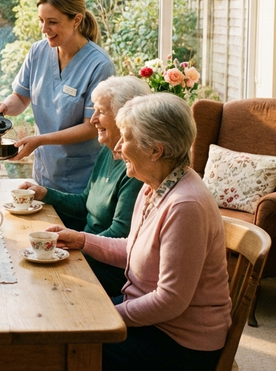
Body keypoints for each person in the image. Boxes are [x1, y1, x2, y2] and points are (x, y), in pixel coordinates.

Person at [47, 93, 230, 370]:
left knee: (64, 347)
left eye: (126, 138)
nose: (118, 148)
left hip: (178, 341)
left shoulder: (186, 205)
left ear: (155, 150)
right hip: (148, 315)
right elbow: (134, 249)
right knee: (63, 307)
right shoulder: (152, 185)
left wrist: (107, 315)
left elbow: (169, 301)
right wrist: (82, 240)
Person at [18, 76, 149, 297]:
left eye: (100, 112)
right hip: (86, 254)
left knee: (34, 283)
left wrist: (71, 250)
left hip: (107, 269)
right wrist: (45, 193)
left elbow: (119, 236)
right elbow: (84, 203)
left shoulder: (135, 170)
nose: (93, 119)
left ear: (123, 117)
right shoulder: (107, 153)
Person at [0, 0, 114, 195]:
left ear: (76, 20)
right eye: (41, 21)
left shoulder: (100, 65)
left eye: (52, 22)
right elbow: (21, 97)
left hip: (81, 180)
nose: (44, 29)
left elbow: (92, 126)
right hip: (44, 172)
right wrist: (5, 106)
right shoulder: (38, 51)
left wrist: (40, 140)